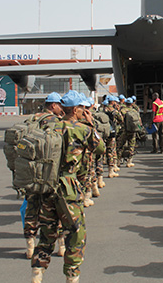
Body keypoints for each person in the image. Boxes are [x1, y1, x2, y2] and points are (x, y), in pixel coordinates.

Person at [31, 90, 105, 283]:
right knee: (75, 233)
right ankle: (72, 276)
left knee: (47, 233)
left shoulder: (49, 126)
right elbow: (100, 148)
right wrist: (90, 123)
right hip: (69, 187)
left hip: (47, 185)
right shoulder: (82, 129)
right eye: (82, 108)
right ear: (75, 109)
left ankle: (38, 272)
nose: (84, 111)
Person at [24, 92, 64, 259]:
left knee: (31, 209)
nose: (61, 108)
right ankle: (61, 245)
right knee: (57, 209)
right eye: (59, 105)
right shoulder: (57, 123)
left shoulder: (31, 120)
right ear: (53, 105)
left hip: (31, 172)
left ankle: (30, 245)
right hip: (50, 174)